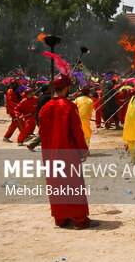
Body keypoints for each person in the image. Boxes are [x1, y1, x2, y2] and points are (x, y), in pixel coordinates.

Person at [39, 74, 98, 229]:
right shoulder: (69, 107)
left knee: (56, 184)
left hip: (50, 154)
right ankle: (79, 220)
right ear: (66, 88)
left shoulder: (44, 108)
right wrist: (83, 151)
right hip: (68, 153)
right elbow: (76, 132)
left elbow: (42, 133)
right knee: (73, 184)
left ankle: (60, 218)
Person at [27, 85, 52, 152]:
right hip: (43, 117)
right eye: (50, 88)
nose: (51, 89)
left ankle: (34, 145)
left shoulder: (40, 97)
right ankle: (33, 144)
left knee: (44, 132)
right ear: (46, 90)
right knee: (46, 132)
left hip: (38, 117)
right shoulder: (48, 97)